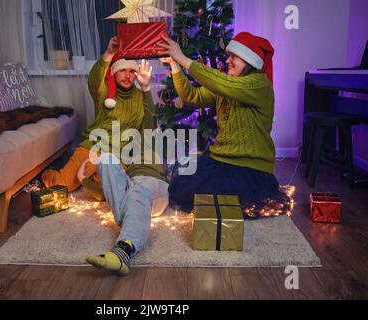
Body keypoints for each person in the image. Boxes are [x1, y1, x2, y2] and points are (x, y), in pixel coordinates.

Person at [158, 32, 286, 216]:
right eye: (228, 56)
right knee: (183, 181)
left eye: (234, 56)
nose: (228, 61)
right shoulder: (227, 84)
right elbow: (191, 96)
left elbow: (224, 85)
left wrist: (184, 58)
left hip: (249, 170)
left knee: (218, 200)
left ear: (250, 61)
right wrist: (174, 64)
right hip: (221, 161)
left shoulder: (259, 84)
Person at [83, 61, 169, 276]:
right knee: (105, 160)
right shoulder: (125, 145)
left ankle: (123, 251)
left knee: (138, 191)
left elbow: (149, 118)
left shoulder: (150, 138)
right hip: (131, 186)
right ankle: (131, 221)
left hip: (153, 190)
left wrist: (146, 88)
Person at [42, 36, 150, 191]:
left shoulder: (141, 97)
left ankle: (89, 173)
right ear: (114, 73)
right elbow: (94, 79)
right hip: (92, 147)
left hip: (117, 156)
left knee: (111, 191)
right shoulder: (105, 91)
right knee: (61, 185)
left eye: (132, 71)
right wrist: (109, 53)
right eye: (122, 71)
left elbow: (145, 129)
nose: (127, 76)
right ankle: (53, 172)